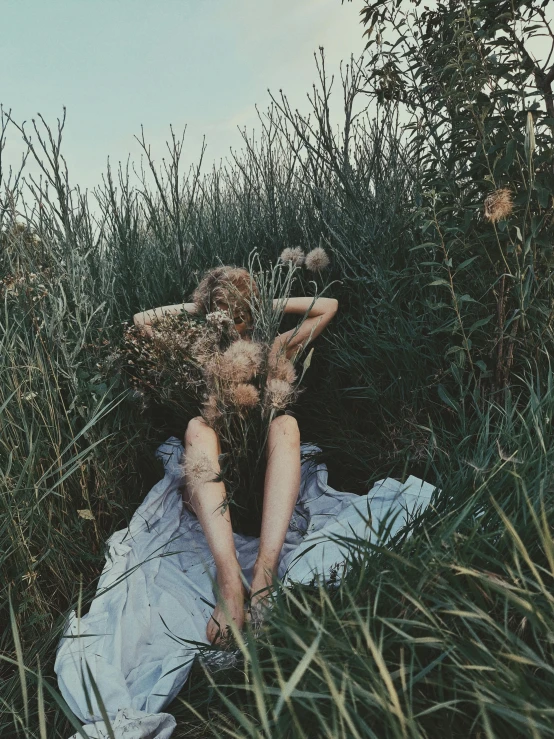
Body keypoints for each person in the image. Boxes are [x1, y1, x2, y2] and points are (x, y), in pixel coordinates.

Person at [133, 265, 338, 645]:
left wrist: (263, 302)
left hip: (265, 481)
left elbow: (327, 306)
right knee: (197, 426)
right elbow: (143, 321)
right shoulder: (203, 354)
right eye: (226, 313)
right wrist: (201, 307)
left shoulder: (274, 347)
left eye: (240, 315)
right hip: (214, 482)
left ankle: (264, 573)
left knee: (286, 425)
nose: (234, 324)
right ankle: (229, 584)